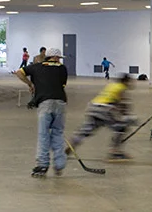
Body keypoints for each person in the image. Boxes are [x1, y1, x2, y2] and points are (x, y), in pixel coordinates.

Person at [16, 48, 69, 177]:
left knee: (44, 134)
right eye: (59, 58)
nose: (59, 60)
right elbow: (61, 86)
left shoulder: (36, 67)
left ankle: (43, 164)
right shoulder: (63, 69)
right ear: (56, 58)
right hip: (60, 103)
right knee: (58, 133)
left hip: (45, 104)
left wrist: (30, 84)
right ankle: (59, 164)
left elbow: (19, 72)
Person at [68, 74, 136, 161]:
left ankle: (74, 141)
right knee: (121, 127)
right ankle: (115, 151)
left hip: (93, 107)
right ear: (126, 81)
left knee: (88, 129)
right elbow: (123, 105)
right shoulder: (121, 87)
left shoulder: (111, 85)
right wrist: (128, 117)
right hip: (104, 109)